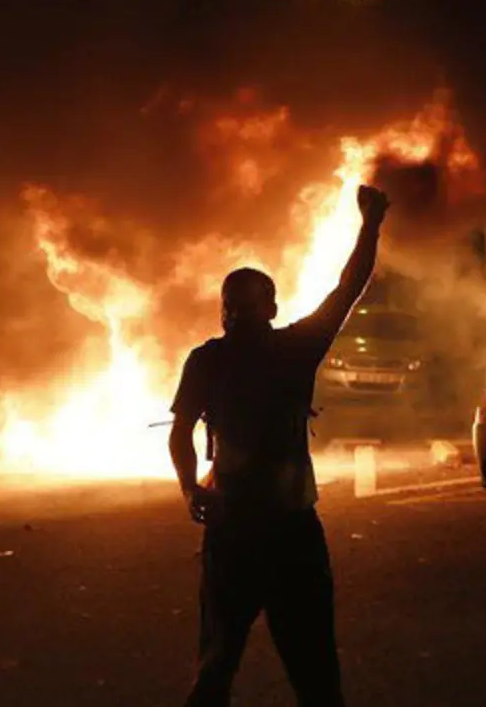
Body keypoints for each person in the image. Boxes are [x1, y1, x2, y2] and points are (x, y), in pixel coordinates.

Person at [168, 185, 390, 706]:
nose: (235, 314)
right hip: (267, 528)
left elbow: (180, 432)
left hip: (256, 530)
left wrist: (190, 490)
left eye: (239, 306)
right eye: (233, 307)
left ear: (253, 309)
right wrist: (371, 224)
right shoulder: (263, 353)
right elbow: (348, 287)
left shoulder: (238, 356)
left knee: (240, 666)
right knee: (288, 670)